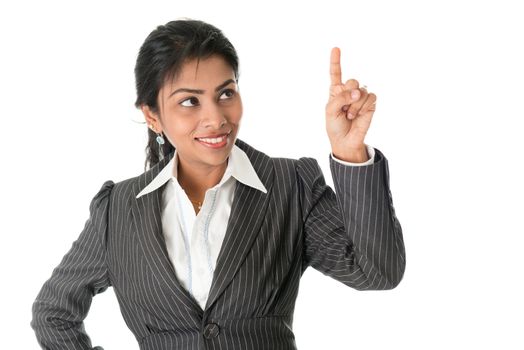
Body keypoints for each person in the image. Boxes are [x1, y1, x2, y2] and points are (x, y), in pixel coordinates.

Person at [31, 19, 406, 350]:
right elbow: (53, 312)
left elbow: (378, 272)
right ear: (152, 116)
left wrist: (350, 152)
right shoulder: (118, 209)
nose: (215, 118)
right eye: (189, 101)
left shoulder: (291, 185)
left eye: (225, 93)